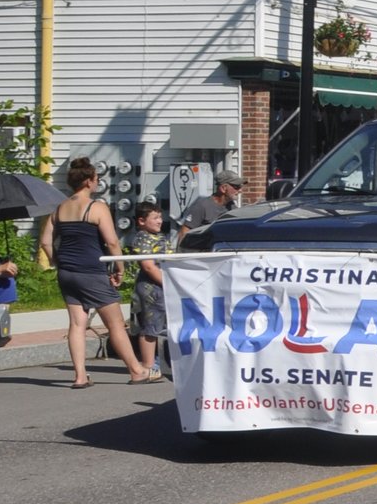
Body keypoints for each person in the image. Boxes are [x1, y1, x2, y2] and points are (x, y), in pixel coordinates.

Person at [38, 158, 150, 388]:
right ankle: (137, 371)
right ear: (89, 181)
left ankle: (80, 376)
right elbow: (111, 241)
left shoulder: (59, 209)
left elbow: (45, 242)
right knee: (116, 324)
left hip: (67, 272)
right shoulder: (96, 207)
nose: (98, 182)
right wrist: (120, 268)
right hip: (91, 270)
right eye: (96, 179)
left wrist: (56, 261)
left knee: (77, 324)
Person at [126, 199, 175, 381]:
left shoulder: (160, 236)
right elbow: (147, 266)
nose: (159, 221)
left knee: (161, 325)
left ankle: (161, 361)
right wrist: (167, 282)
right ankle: (148, 366)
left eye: (160, 217)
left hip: (164, 286)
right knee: (150, 327)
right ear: (141, 221)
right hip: (150, 288)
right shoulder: (142, 237)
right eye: (155, 218)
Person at [179, 170, 243, 239]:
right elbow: (184, 233)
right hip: (204, 249)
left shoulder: (232, 207)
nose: (240, 190)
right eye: (237, 187)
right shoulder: (202, 206)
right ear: (223, 188)